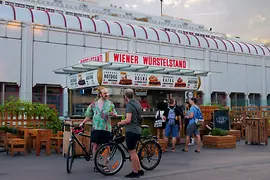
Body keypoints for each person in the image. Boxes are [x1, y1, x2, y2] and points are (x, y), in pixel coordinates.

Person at [80, 87, 117, 172]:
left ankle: (105, 165)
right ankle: (95, 165)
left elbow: (114, 114)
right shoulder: (93, 104)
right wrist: (83, 122)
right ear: (100, 94)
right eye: (104, 93)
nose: (107, 94)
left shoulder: (110, 104)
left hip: (106, 128)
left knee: (107, 147)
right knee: (95, 146)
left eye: (107, 93)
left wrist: (113, 114)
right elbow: (88, 116)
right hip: (96, 127)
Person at [117, 89, 144, 178]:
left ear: (125, 96)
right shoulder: (137, 103)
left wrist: (121, 122)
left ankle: (135, 172)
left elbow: (128, 120)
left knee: (132, 152)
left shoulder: (129, 105)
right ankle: (139, 170)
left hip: (131, 130)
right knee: (134, 152)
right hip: (137, 129)